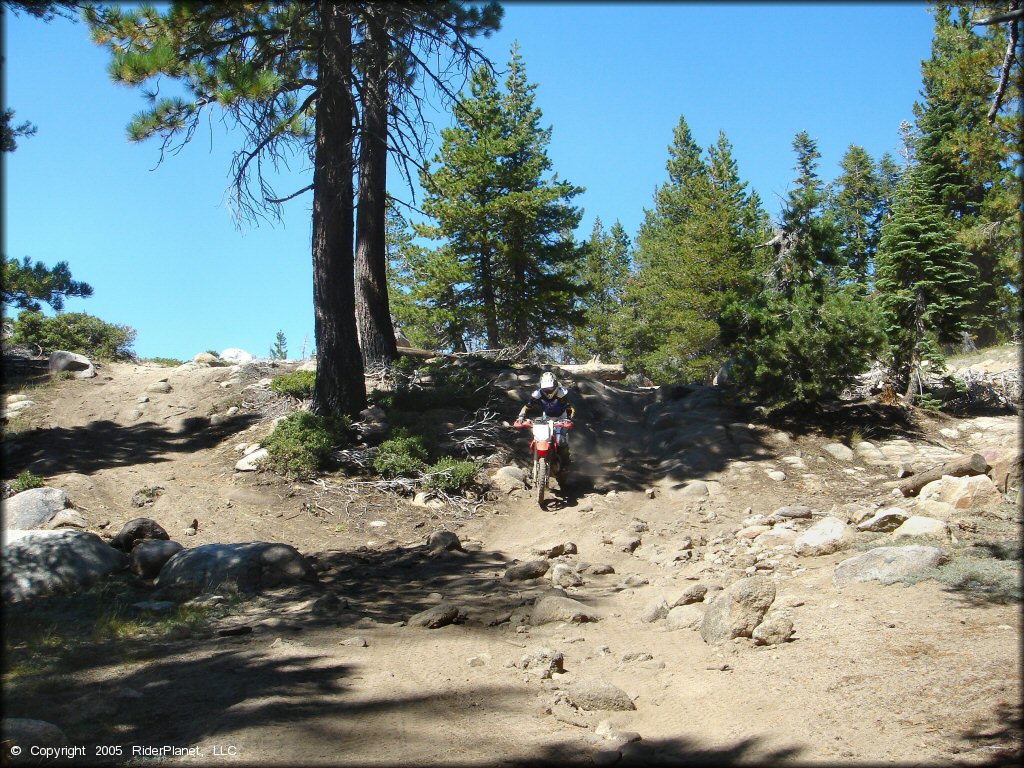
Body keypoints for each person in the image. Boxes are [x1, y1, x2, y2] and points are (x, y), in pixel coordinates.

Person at [515, 371, 576, 467]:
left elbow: (569, 408)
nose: (549, 390)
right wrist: (521, 417)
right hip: (546, 417)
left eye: (551, 388)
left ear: (555, 385)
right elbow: (527, 406)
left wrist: (568, 419)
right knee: (540, 437)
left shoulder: (561, 394)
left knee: (560, 440)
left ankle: (565, 464)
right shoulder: (538, 394)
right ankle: (537, 460)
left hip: (562, 417)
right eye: (546, 388)